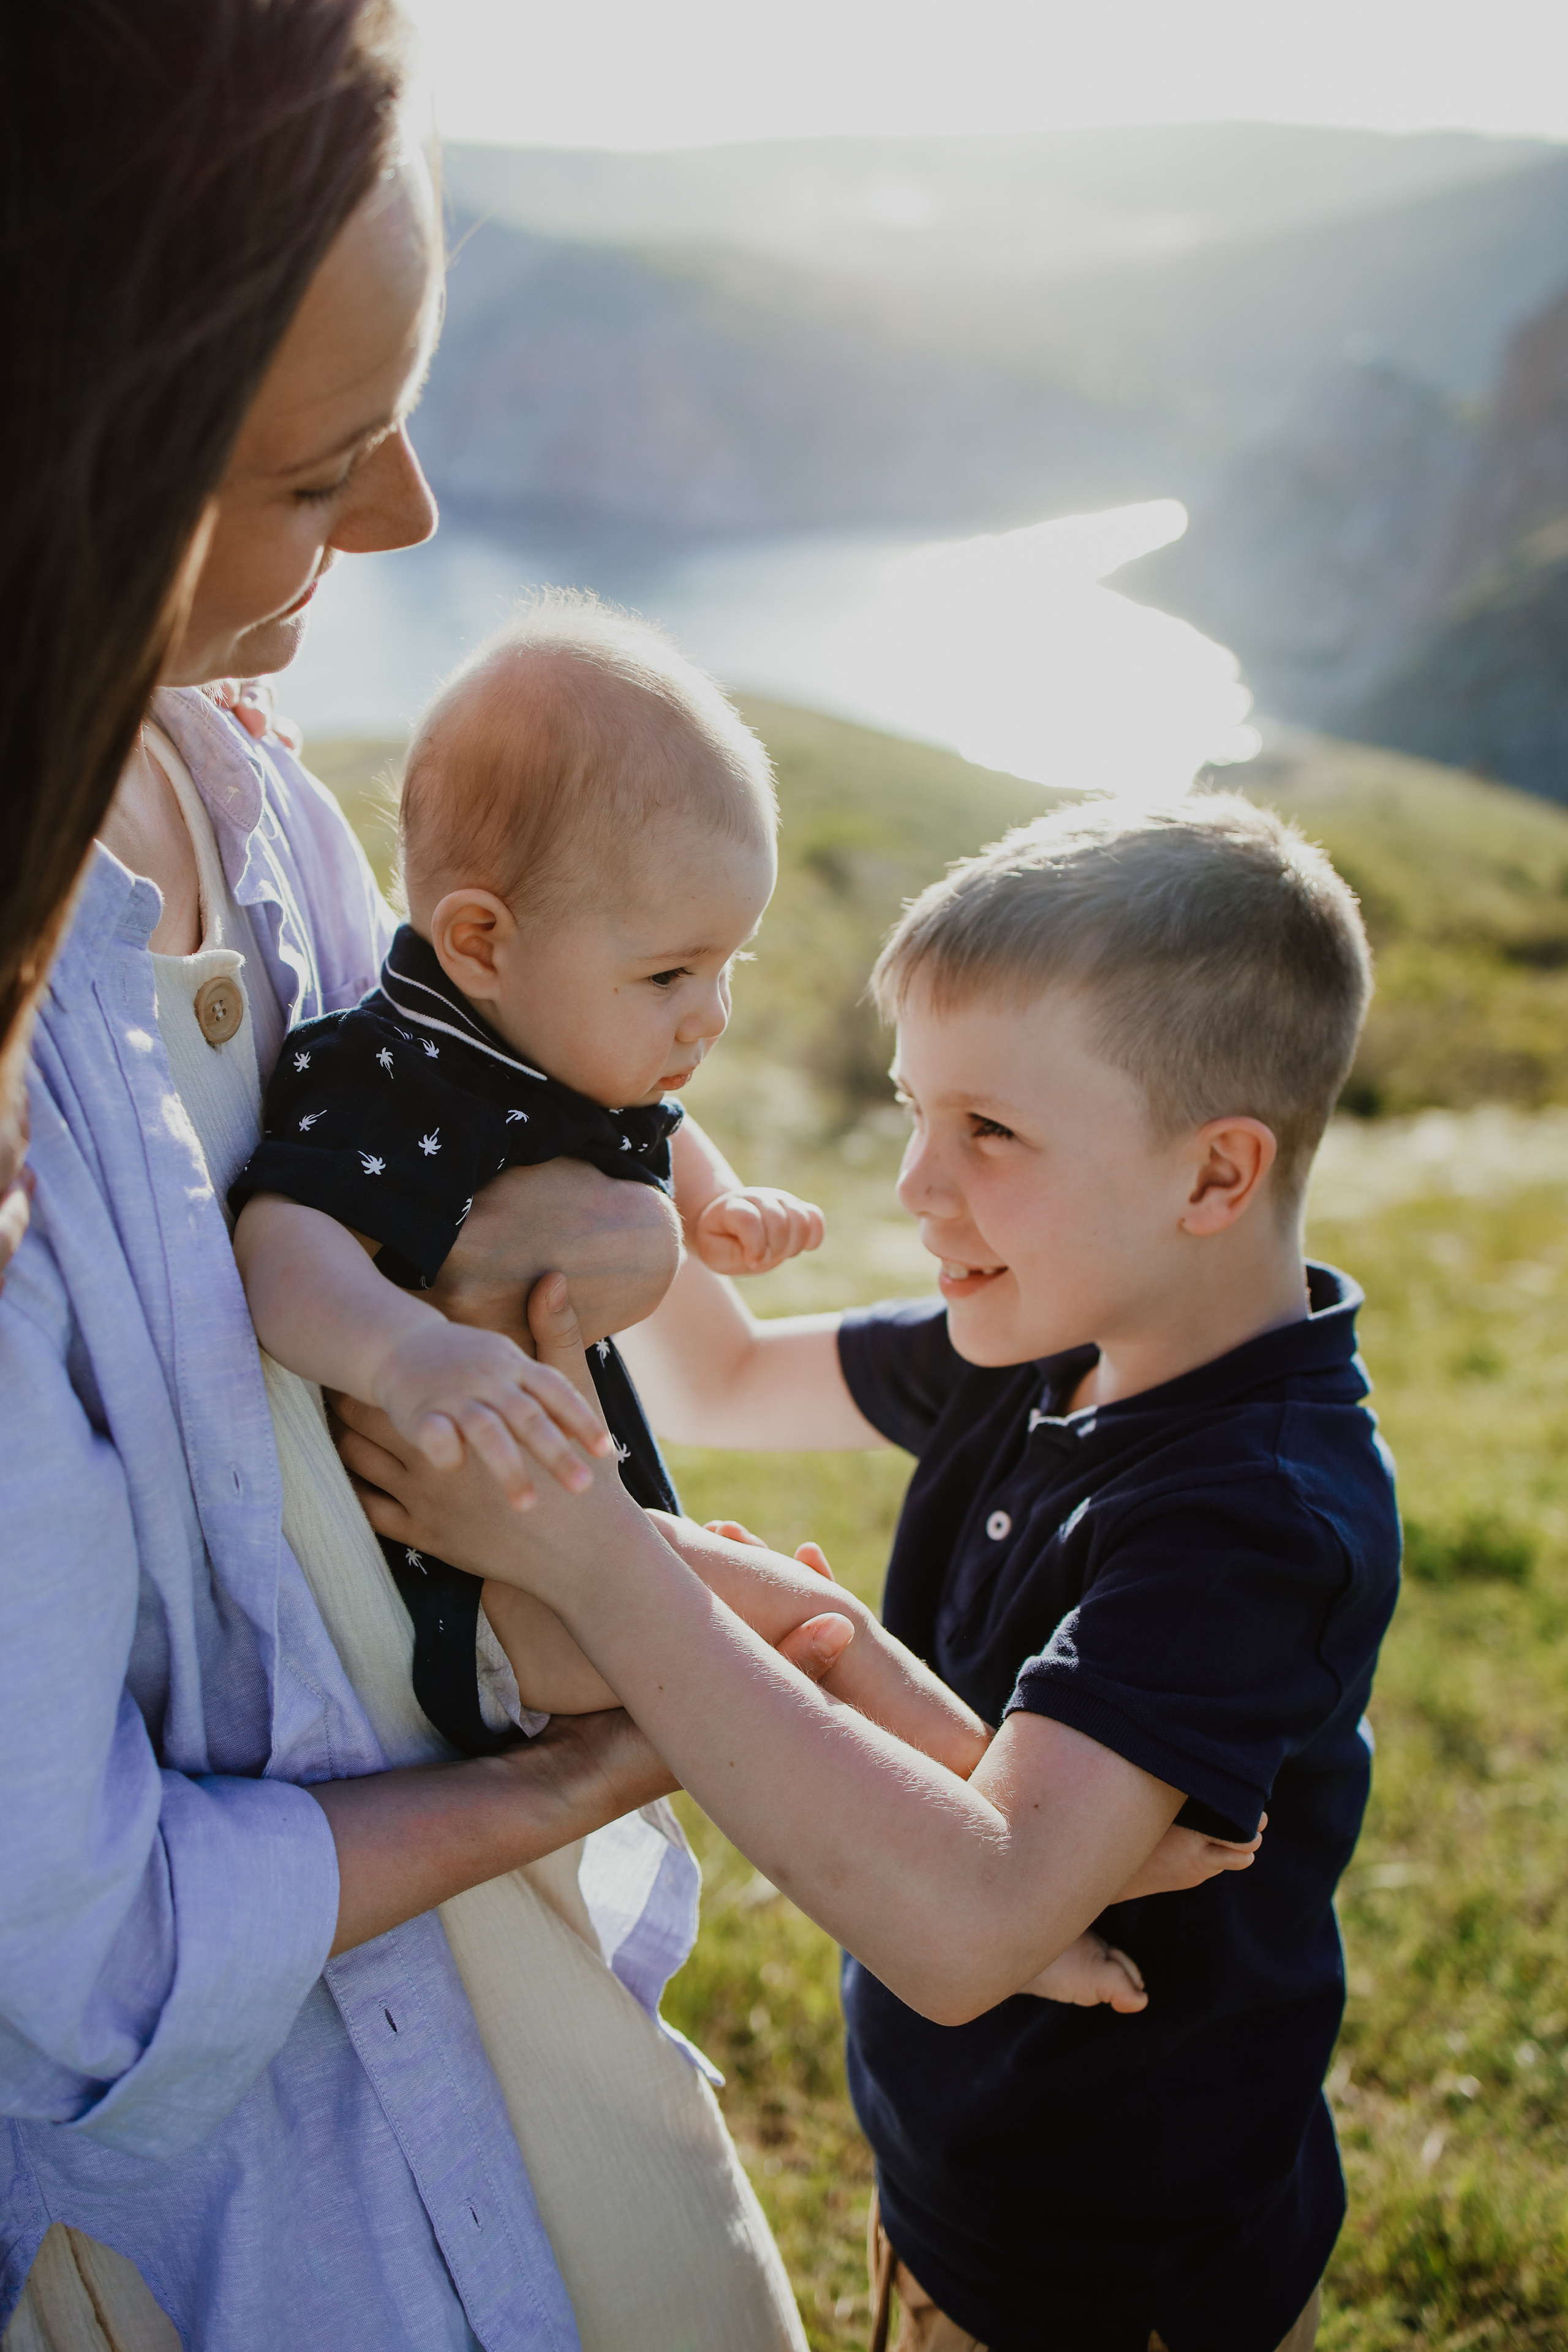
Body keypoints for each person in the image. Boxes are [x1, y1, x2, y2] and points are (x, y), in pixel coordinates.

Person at [0, 9, 848, 2348]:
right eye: (314, 471)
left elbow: (469, 1135)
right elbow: (78, 1950)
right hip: (228, 2243)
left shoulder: (252, 798)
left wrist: (600, 1232)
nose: (406, 528)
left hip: (519, 2066)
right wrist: (619, 1744)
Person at [339, 794, 1403, 2352]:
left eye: (987, 1131)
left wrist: (592, 1548)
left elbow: (974, 1925)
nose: (915, 1183)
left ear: (1212, 1176)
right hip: (959, 2182)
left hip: (1126, 2271)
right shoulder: (1045, 1336)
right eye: (915, 1113)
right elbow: (717, 1384)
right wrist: (593, 1081)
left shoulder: (1254, 1515)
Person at [228, 597, 831, 1749]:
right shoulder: (393, 1076)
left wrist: (717, 1206)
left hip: (555, 1524)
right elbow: (282, 1242)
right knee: (796, 1644)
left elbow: (653, 1119)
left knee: (788, 1636)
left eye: (727, 966)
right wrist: (404, 1349)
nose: (711, 1015)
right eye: (670, 975)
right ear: (481, 943)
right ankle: (1017, 1851)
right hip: (462, 1581)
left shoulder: (545, 1039)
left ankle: (1007, 1840)